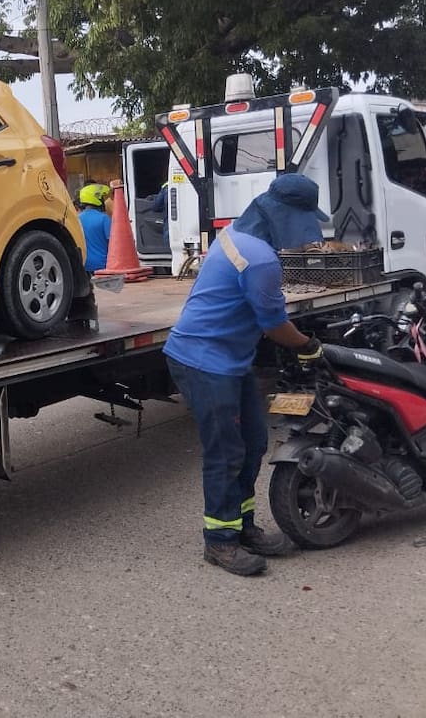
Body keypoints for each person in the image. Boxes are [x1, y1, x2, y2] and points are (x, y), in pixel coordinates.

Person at [163, 173, 327, 576]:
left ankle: (242, 526)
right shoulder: (260, 258)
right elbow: (275, 326)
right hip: (202, 361)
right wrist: (308, 346)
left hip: (226, 359)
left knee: (253, 442)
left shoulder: (236, 232)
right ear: (288, 217)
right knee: (226, 452)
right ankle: (219, 542)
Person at [77, 183, 113, 272]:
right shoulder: (104, 218)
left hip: (83, 266)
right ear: (96, 199)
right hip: (103, 265)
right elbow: (113, 244)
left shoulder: (77, 219)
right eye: (101, 198)